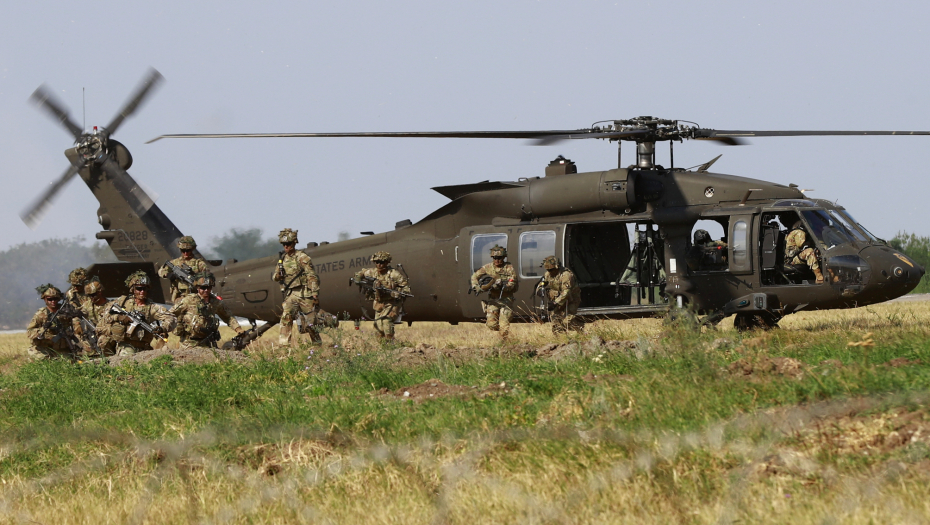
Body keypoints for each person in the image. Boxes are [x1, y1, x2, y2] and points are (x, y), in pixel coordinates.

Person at [101, 271, 176, 356]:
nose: (142, 291)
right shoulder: (123, 302)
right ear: (133, 289)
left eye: (145, 289)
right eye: (139, 288)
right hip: (126, 346)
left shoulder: (152, 307)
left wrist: (163, 328)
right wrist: (118, 317)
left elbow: (171, 318)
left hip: (144, 346)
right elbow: (106, 315)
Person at [168, 272, 243, 348]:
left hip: (208, 343)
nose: (206, 290)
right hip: (189, 344)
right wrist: (165, 328)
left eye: (209, 287)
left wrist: (238, 329)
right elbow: (170, 313)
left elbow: (228, 317)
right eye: (203, 288)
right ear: (197, 287)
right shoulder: (188, 300)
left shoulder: (216, 302)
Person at [273, 228, 322, 346]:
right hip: (291, 294)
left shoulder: (302, 257)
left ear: (294, 243)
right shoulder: (282, 259)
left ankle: (317, 344)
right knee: (286, 317)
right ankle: (284, 346)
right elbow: (274, 277)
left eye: (288, 244)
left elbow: (311, 275)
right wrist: (279, 275)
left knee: (310, 322)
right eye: (284, 244)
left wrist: (314, 293)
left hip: (304, 293)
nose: (286, 246)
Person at [353, 251, 411, 341]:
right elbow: (361, 273)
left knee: (387, 321)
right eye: (377, 262)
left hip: (392, 303)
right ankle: (382, 347)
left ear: (387, 262)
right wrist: (358, 278)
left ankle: (390, 344)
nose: (379, 265)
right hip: (379, 303)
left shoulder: (393, 274)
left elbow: (406, 287)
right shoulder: (372, 272)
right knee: (378, 326)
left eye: (382, 262)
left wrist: (398, 293)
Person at [470, 245, 519, 339]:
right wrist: (476, 286)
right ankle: (487, 308)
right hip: (493, 300)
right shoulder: (488, 267)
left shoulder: (509, 268)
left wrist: (502, 286)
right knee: (491, 325)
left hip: (506, 300)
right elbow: (475, 276)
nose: (497, 260)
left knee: (504, 327)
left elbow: (512, 283)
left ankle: (504, 343)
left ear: (504, 257)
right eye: (495, 258)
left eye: (499, 258)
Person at [26, 284, 79, 359]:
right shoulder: (40, 314)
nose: (53, 301)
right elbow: (29, 332)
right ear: (44, 299)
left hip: (62, 349)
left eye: (55, 299)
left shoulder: (65, 310)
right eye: (50, 299)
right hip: (45, 349)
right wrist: (43, 330)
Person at [536, 256, 584, 333]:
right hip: (560, 300)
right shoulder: (548, 274)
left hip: (571, 300)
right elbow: (543, 282)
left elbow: (566, 292)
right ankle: (560, 338)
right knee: (555, 319)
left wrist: (555, 302)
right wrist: (539, 289)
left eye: (551, 269)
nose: (550, 271)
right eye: (548, 270)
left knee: (567, 321)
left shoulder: (566, 275)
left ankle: (581, 330)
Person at [157, 236, 209, 303]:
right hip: (179, 298)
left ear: (192, 249)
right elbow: (161, 271)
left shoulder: (199, 263)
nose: (185, 253)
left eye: (188, 250)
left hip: (195, 298)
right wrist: (168, 275)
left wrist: (195, 276)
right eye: (183, 250)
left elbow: (207, 277)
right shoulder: (175, 263)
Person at [76, 279, 115, 356]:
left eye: (93, 295)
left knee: (103, 341)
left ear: (100, 292)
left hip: (105, 336)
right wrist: (77, 324)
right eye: (89, 296)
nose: (91, 298)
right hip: (90, 335)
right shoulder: (87, 305)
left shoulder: (110, 306)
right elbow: (78, 314)